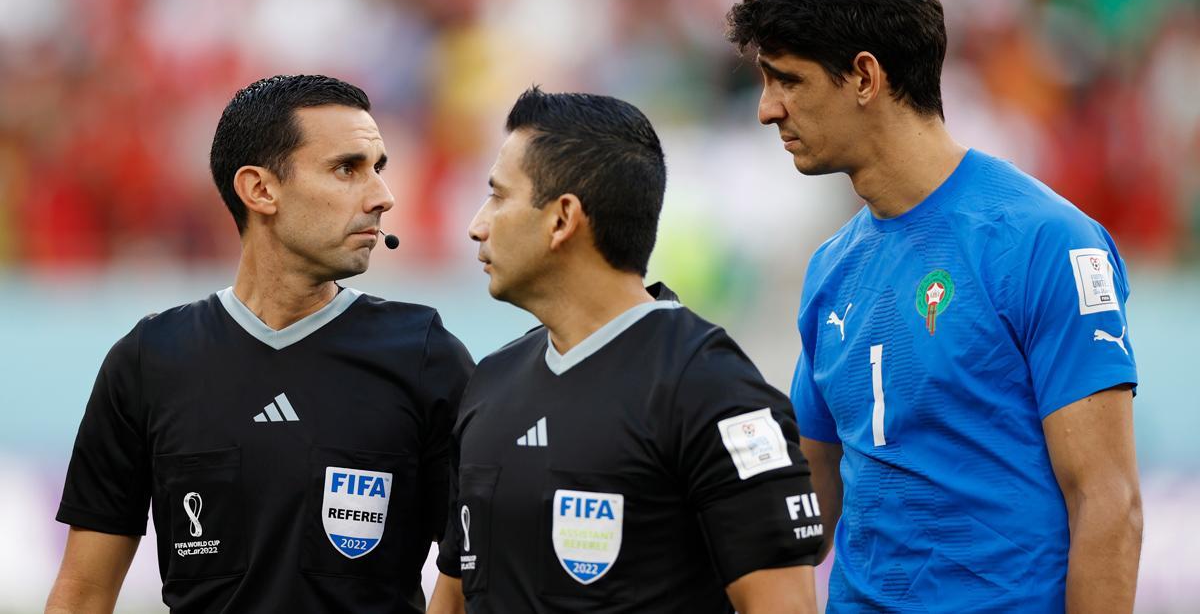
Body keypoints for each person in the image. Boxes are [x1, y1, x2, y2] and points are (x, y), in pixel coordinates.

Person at [725, 0, 1142, 612]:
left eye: (788, 80)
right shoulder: (831, 269)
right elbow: (809, 507)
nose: (767, 109)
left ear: (864, 77)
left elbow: (1107, 502)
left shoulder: (1043, 242)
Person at [46, 75, 473, 613]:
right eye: (348, 169)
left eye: (379, 168)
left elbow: (470, 573)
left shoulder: (425, 355)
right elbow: (83, 593)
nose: (383, 196)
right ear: (260, 189)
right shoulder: (150, 360)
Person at [425, 88, 824, 614]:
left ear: (562, 218)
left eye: (498, 196)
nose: (477, 224)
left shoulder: (711, 389)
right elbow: (453, 598)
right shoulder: (491, 383)